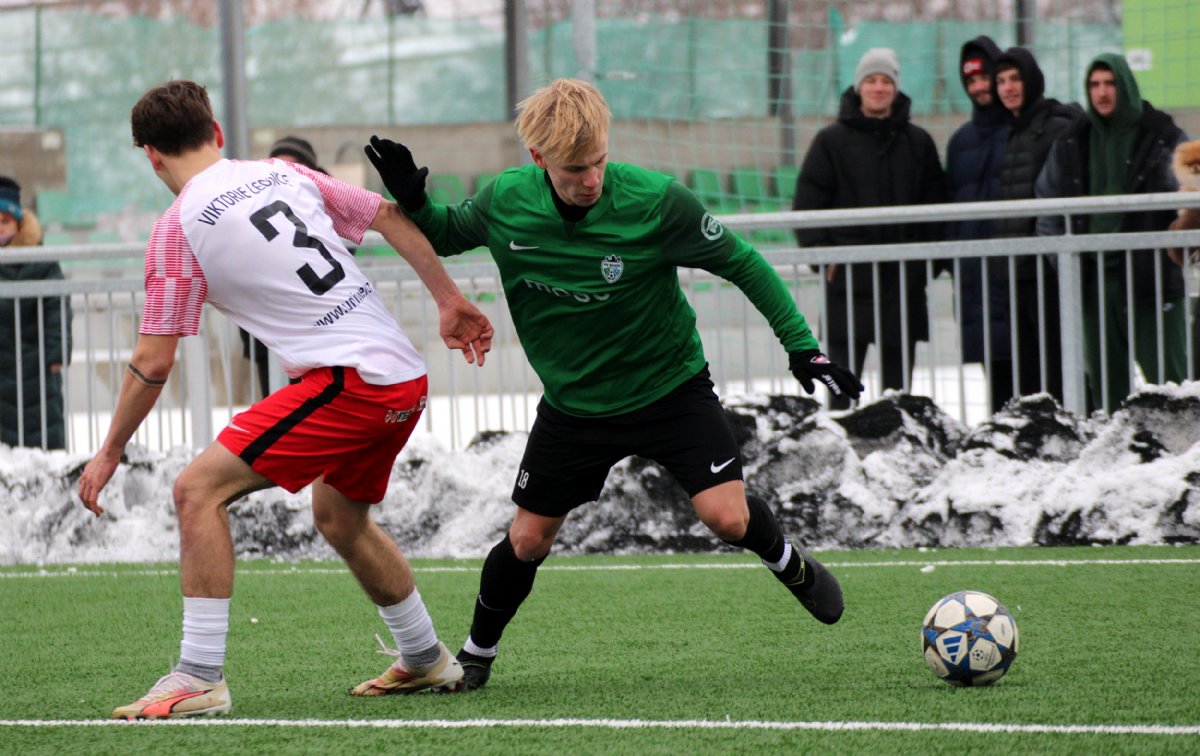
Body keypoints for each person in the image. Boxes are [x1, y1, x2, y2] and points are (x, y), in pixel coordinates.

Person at [363, 78, 862, 691]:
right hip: (575, 407)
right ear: (539, 159)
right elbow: (445, 233)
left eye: (599, 161)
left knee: (727, 519)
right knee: (527, 540)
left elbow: (743, 262)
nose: (592, 179)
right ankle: (475, 655)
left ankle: (790, 564)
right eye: (575, 169)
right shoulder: (507, 200)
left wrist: (802, 346)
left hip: (669, 389)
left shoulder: (657, 202)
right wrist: (415, 198)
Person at [75, 80, 493, 719]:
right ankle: (424, 656)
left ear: (150, 155)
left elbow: (153, 361)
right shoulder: (283, 172)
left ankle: (198, 676)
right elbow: (387, 214)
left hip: (352, 384)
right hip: (402, 378)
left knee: (196, 490)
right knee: (340, 517)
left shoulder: (177, 227)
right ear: (216, 132)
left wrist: (109, 451)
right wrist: (449, 299)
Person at [792, 47, 946, 409]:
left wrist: (926, 264)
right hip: (847, 285)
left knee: (897, 399)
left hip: (903, 286)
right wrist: (824, 258)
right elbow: (807, 204)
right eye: (871, 80)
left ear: (895, 87)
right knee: (841, 396)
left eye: (886, 80)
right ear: (859, 87)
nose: (879, 87)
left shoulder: (918, 142)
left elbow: (938, 209)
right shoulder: (830, 141)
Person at [1035, 53, 1188, 412]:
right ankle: (1114, 447)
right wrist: (1067, 264)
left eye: (1110, 83)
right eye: (1094, 85)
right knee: (1106, 392)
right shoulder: (1073, 140)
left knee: (1171, 388)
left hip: (1152, 279)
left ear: (1126, 86)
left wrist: (1177, 252)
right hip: (1095, 282)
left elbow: (1189, 196)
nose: (1102, 93)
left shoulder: (1162, 135)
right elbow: (1047, 207)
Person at [989, 47, 1079, 406]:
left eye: (1015, 79)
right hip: (1019, 269)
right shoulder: (1016, 131)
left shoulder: (1053, 126)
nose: (1008, 88)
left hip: (1047, 270)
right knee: (1029, 371)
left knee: (1055, 368)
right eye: (1001, 81)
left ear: (1032, 81)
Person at [943, 37, 1013, 414]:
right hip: (978, 285)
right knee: (998, 390)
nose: (980, 87)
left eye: (986, 77)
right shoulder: (960, 142)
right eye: (971, 81)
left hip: (1019, 280)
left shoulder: (1024, 128)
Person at [239, 135, 330, 399]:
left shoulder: (325, 201)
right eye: (277, 165)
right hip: (267, 333)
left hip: (316, 332)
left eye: (292, 166)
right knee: (276, 400)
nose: (283, 174)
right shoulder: (253, 200)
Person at [0, 175, 72, 449]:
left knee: (42, 430)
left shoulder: (41, 262)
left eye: (5, 221)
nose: (0, 228)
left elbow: (57, 308)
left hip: (36, 365)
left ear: (19, 224)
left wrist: (57, 352)